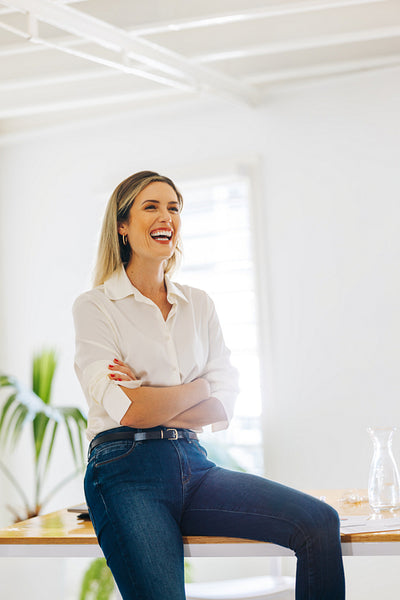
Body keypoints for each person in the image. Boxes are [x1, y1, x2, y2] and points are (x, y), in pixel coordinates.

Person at [73, 170, 345, 600]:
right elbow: (132, 413)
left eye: (174, 207)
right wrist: (199, 387)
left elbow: (223, 406)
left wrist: (154, 397)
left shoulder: (199, 304)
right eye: (151, 206)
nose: (167, 216)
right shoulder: (95, 307)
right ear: (122, 225)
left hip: (193, 463)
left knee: (317, 522)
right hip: (124, 470)